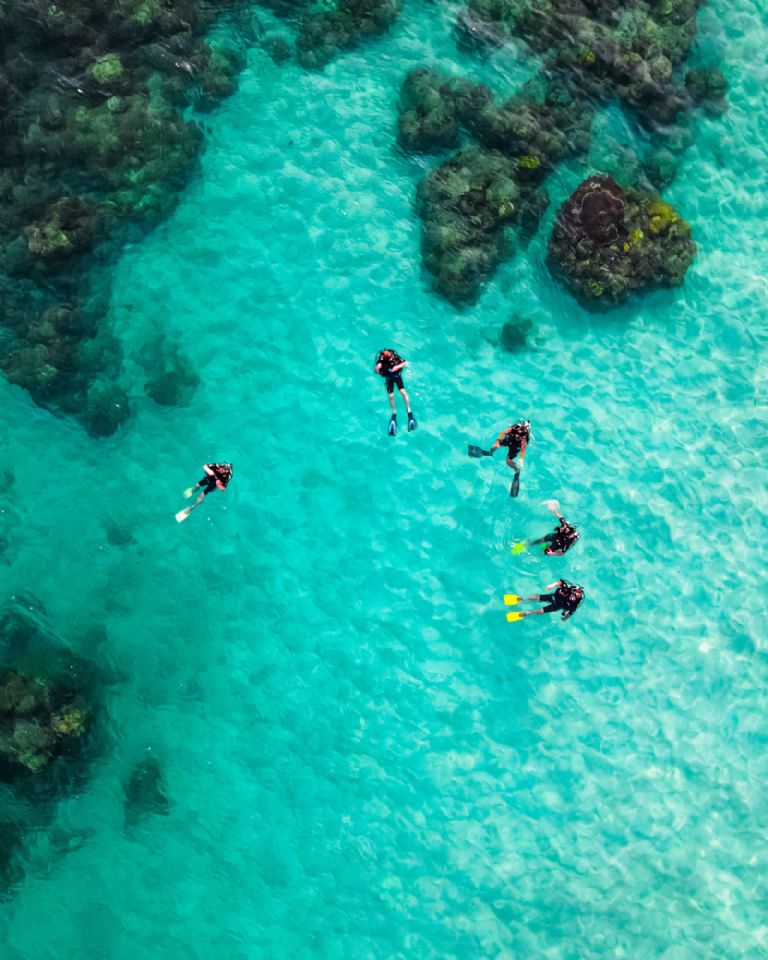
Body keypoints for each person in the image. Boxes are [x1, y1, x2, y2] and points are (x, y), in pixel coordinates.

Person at [374, 349, 416, 436]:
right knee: (391, 396)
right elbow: (376, 372)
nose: (392, 357)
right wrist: (377, 368)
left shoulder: (394, 356)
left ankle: (409, 411)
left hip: (397, 376)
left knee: (403, 392)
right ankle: (394, 412)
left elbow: (406, 363)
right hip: (389, 378)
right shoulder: (381, 361)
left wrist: (397, 367)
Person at [507, 580, 584, 621]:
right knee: (537, 598)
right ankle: (522, 599)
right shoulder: (570, 589)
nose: (576, 595)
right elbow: (561, 582)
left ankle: (525, 611)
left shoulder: (574, 604)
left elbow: (570, 613)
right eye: (576, 593)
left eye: (577, 595)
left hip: (556, 604)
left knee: (540, 608)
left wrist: (565, 618)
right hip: (555, 598)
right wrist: (552, 585)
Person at [489, 420, 530, 496]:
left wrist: (521, 458)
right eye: (518, 428)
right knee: (494, 446)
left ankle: (517, 470)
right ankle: (489, 453)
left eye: (521, 431)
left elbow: (523, 450)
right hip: (509, 441)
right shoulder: (513, 429)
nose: (518, 431)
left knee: (508, 462)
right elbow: (502, 433)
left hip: (515, 447)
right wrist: (498, 441)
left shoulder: (523, 440)